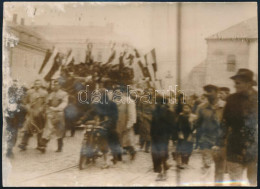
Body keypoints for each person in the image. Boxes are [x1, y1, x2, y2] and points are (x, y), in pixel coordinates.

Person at [218, 69, 258, 186]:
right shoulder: (231, 99)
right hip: (234, 145)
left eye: (238, 83)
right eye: (235, 83)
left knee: (254, 181)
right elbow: (224, 122)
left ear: (249, 83)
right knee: (235, 182)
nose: (235, 86)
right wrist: (220, 143)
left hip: (254, 147)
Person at [195, 84, 225, 185]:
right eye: (206, 91)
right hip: (206, 141)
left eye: (210, 91)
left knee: (220, 169)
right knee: (206, 167)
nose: (207, 93)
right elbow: (197, 123)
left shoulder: (225, 106)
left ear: (217, 92)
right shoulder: (201, 107)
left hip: (221, 142)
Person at [18, 79, 47, 152]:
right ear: (34, 85)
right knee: (28, 128)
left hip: (40, 113)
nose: (37, 85)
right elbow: (25, 102)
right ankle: (23, 144)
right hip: (31, 112)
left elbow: (46, 103)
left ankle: (40, 145)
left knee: (40, 129)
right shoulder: (29, 92)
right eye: (36, 84)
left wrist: (42, 108)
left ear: (41, 85)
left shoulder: (44, 93)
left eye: (38, 84)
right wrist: (28, 108)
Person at [40, 79, 68, 153]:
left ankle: (60, 147)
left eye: (56, 85)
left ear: (60, 86)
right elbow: (47, 103)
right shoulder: (51, 94)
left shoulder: (64, 94)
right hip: (51, 113)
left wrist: (57, 108)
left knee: (59, 131)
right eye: (53, 84)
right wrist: (47, 110)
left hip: (59, 114)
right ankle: (43, 145)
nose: (54, 86)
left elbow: (64, 103)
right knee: (48, 129)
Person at [150, 96, 173, 181]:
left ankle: (164, 173)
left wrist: (170, 137)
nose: (155, 103)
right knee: (155, 155)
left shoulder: (169, 112)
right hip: (155, 136)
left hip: (164, 136)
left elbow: (171, 125)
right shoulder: (155, 111)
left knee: (162, 155)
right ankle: (160, 172)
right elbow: (153, 124)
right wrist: (151, 134)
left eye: (157, 102)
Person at [5, 80, 27, 158]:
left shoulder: (19, 99)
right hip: (6, 120)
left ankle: (9, 150)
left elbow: (23, 110)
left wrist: (21, 122)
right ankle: (9, 150)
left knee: (13, 135)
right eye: (12, 86)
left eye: (15, 86)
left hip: (15, 120)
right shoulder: (5, 98)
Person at [116, 87, 137, 161]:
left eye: (120, 92)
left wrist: (129, 124)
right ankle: (118, 157)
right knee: (119, 141)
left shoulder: (130, 101)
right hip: (119, 124)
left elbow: (132, 114)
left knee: (127, 142)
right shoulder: (118, 100)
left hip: (126, 124)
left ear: (125, 93)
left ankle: (133, 152)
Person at [176, 104, 197, 169]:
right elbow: (178, 125)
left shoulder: (194, 117)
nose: (185, 109)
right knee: (182, 148)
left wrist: (194, 132)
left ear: (190, 109)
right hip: (182, 134)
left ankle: (186, 161)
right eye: (184, 108)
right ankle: (182, 162)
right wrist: (179, 132)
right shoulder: (181, 116)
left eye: (187, 108)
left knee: (189, 148)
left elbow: (196, 125)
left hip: (190, 133)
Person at [138, 88, 155, 153]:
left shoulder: (154, 100)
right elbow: (139, 108)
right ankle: (141, 146)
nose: (150, 92)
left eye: (151, 91)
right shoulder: (142, 99)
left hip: (151, 118)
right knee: (143, 132)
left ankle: (147, 147)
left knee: (149, 133)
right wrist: (140, 116)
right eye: (149, 91)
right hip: (143, 117)